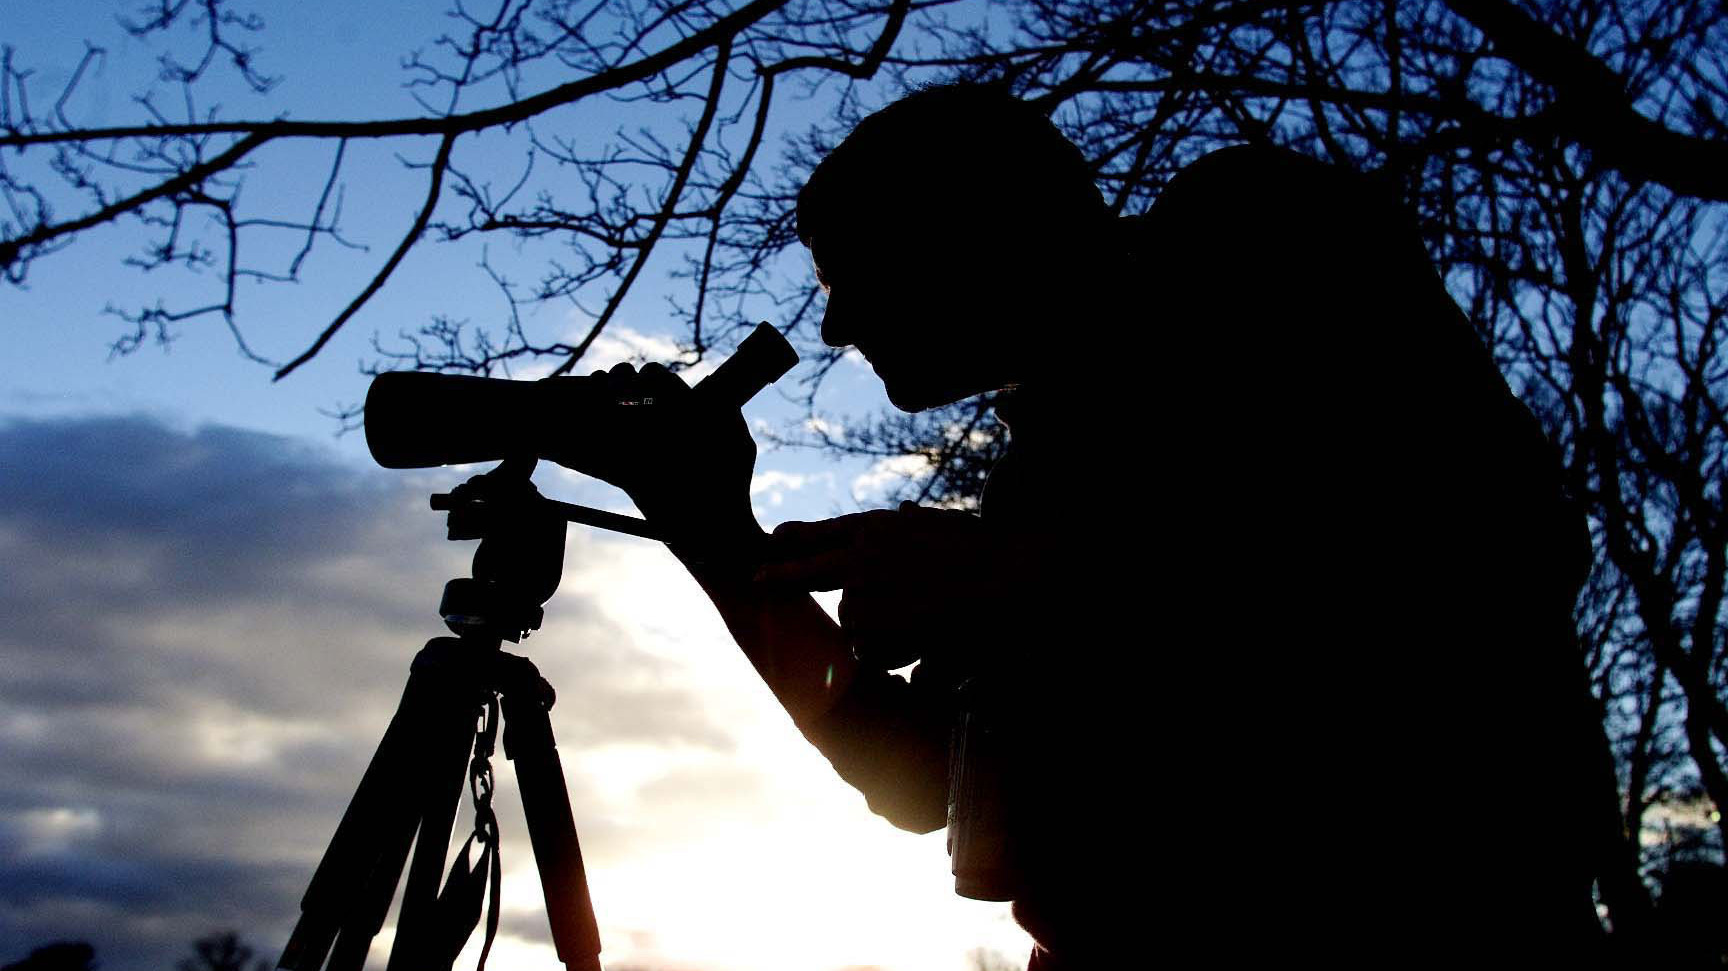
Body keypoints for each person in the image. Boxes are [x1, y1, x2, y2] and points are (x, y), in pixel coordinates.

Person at [547, 83, 1603, 968]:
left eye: (848, 269)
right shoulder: (1039, 478)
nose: (833, 323)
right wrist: (712, 531)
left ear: (968, 223)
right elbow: (920, 777)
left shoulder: (1260, 236)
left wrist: (1010, 570)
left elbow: (1491, 540)